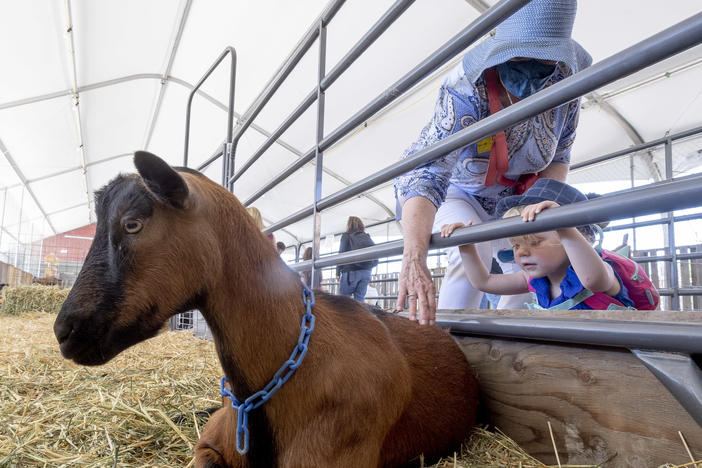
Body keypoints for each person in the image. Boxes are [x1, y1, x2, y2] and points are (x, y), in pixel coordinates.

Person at [393, 0, 592, 324]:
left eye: (544, 56)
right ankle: (447, 337)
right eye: (521, 54)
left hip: (520, 196)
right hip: (456, 192)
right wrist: (414, 256)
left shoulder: (565, 82)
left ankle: (507, 341)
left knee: (532, 261)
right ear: (502, 49)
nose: (533, 63)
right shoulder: (467, 87)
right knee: (469, 246)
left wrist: (541, 216)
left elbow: (559, 155)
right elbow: (428, 171)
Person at [440, 179, 653, 310]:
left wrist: (562, 223)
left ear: (572, 234)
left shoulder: (599, 271)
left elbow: (592, 280)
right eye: (515, 245)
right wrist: (465, 245)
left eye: (535, 241)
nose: (522, 252)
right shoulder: (532, 280)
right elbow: (483, 282)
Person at [336, 216, 377, 302]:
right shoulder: (366, 236)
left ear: (349, 225)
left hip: (351, 272)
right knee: (359, 301)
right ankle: (358, 315)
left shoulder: (346, 236)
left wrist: (338, 272)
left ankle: (345, 315)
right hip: (366, 272)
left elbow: (341, 254)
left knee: (343, 302)